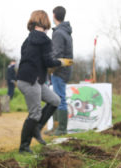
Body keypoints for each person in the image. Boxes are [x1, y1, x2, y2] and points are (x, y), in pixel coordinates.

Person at [17, 10, 73, 153]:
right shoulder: (45, 40)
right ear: (46, 22)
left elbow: (27, 57)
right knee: (34, 113)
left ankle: (37, 127)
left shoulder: (28, 39)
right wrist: (61, 62)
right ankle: (24, 147)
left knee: (55, 100)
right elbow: (48, 61)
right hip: (31, 80)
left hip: (29, 79)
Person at [48, 6, 73, 136]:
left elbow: (57, 54)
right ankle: (56, 127)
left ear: (54, 15)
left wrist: (49, 66)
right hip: (65, 70)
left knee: (60, 99)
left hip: (59, 71)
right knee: (58, 97)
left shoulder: (58, 33)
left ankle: (61, 128)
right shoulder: (66, 32)